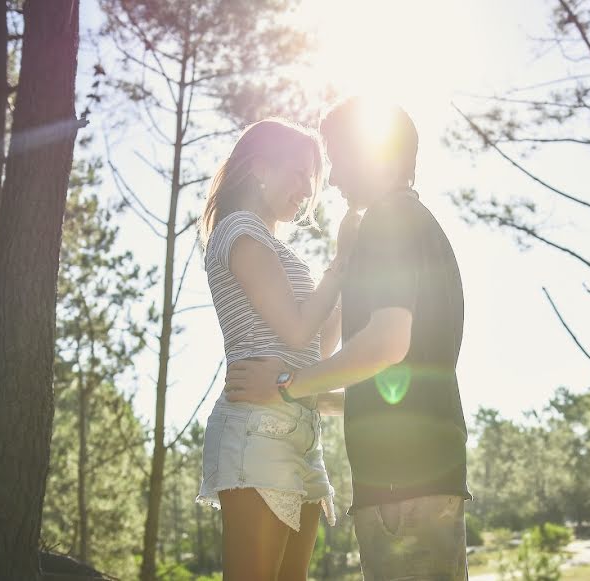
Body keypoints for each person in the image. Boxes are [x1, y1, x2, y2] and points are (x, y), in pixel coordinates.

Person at [224, 97, 473, 580]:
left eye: (337, 159)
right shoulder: (418, 224)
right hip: (425, 478)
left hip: (403, 486)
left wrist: (286, 384)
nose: (332, 179)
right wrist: (314, 397)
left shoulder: (388, 221)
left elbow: (386, 344)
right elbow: (393, 375)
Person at [195, 118, 359, 581]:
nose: (308, 190)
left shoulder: (274, 246)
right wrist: (340, 264)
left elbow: (315, 351)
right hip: (257, 431)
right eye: (300, 173)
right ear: (262, 167)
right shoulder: (241, 230)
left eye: (314, 179)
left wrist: (344, 285)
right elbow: (294, 332)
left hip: (298, 428)